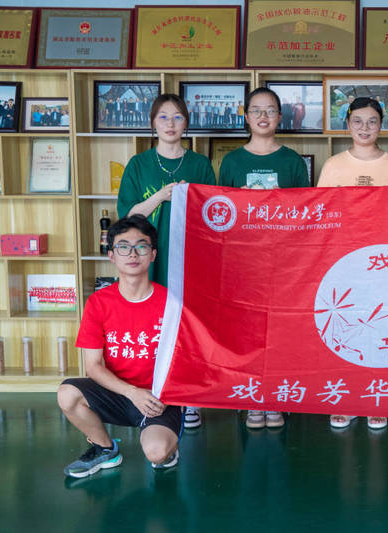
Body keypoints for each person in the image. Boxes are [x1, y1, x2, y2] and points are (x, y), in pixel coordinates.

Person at [116, 94, 215, 429]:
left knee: (188, 325)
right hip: (148, 258)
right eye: (163, 117)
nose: (170, 124)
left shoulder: (200, 165)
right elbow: (128, 215)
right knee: (153, 324)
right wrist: (161, 196)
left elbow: (214, 213)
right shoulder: (138, 164)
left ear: (186, 123)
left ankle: (189, 398)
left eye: (177, 117)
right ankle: (154, 395)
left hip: (190, 257)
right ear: (152, 123)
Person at [57, 215, 182, 478]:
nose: (133, 253)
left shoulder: (173, 302)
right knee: (67, 393)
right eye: (124, 247)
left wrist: (167, 396)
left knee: (157, 453)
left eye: (141, 246)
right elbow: (93, 366)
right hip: (118, 392)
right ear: (112, 256)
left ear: (153, 254)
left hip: (159, 398)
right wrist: (132, 393)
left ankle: (168, 443)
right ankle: (105, 449)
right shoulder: (98, 302)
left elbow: (186, 360)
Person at [219, 87, 310, 429]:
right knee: (247, 333)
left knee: (281, 331)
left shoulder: (292, 161)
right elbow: (220, 212)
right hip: (244, 261)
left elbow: (306, 212)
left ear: (279, 117)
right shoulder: (232, 162)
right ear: (246, 117)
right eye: (256, 110)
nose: (263, 116)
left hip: (283, 261)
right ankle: (252, 398)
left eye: (270, 110)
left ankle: (276, 397)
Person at [317, 96, 388, 429]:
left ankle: (375, 396)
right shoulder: (333, 165)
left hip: (383, 262)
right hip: (343, 262)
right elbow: (321, 214)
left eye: (372, 121)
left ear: (381, 125)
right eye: (357, 121)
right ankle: (346, 397)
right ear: (347, 125)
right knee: (345, 329)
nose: (364, 127)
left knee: (379, 327)